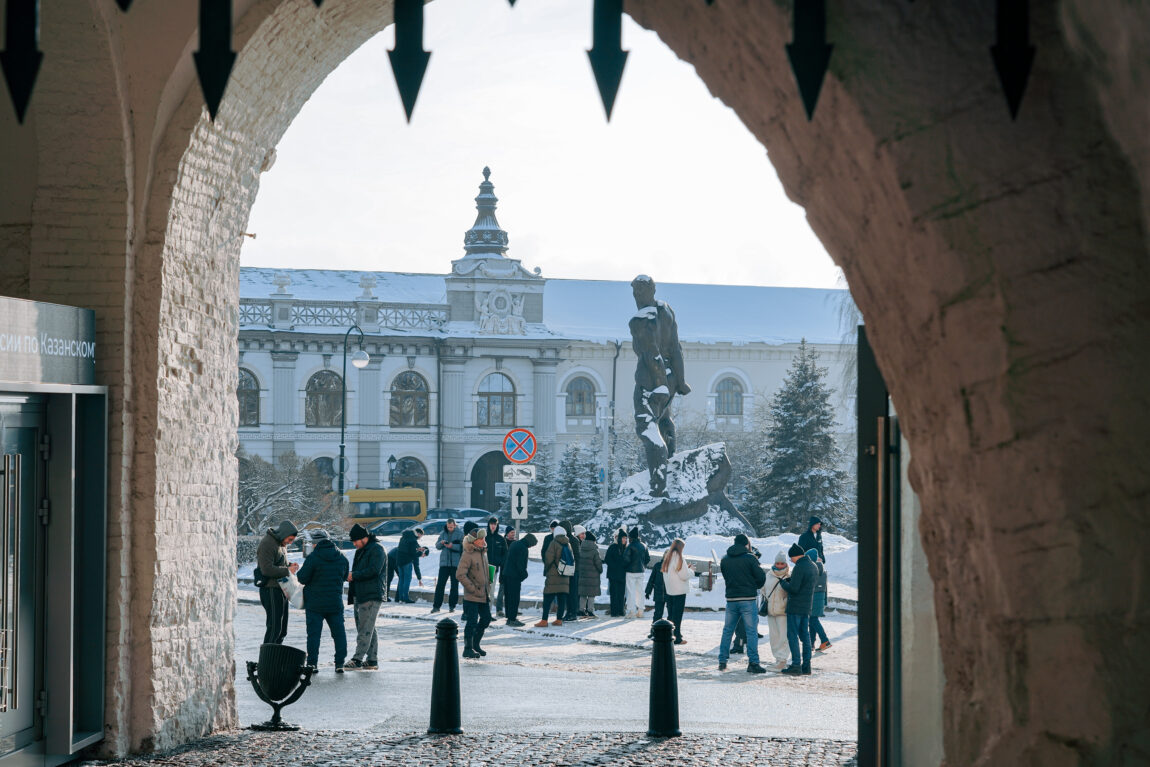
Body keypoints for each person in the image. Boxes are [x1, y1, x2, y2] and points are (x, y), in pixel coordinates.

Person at [628, 274, 691, 496]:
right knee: (664, 420)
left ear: (651, 291)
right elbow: (676, 349)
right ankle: (671, 464)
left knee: (646, 427)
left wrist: (660, 385)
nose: (637, 296)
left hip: (652, 381)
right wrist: (679, 381)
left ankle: (658, 486)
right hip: (671, 378)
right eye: (635, 292)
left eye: (640, 292)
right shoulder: (666, 310)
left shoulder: (641, 320)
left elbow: (652, 355)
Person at [295, 529, 349, 672]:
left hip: (315, 603)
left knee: (314, 635)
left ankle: (312, 664)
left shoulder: (313, 558)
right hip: (335, 602)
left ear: (316, 543)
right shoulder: (342, 558)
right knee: (339, 633)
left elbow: (302, 578)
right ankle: (339, 664)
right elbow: (344, 577)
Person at [717, 533, 767, 673]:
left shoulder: (725, 559)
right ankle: (753, 663)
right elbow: (761, 578)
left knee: (727, 630)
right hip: (748, 599)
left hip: (731, 599)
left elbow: (727, 577)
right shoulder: (750, 558)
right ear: (746, 544)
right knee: (751, 632)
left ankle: (722, 661)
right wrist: (753, 585)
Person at [344, 524, 385, 671]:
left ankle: (358, 659)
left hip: (371, 594)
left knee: (365, 628)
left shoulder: (377, 549)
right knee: (368, 627)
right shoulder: (362, 550)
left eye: (355, 541)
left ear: (364, 538)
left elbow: (374, 570)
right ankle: (372, 660)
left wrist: (354, 575)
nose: (354, 544)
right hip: (361, 593)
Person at [255, 520, 300, 644]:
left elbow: (279, 563)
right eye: (289, 539)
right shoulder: (267, 543)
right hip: (270, 589)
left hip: (281, 589)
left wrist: (290, 565)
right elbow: (266, 569)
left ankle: (275, 659)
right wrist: (287, 570)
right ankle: (267, 661)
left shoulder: (280, 544)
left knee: (281, 630)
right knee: (274, 628)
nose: (290, 542)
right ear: (284, 534)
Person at [779, 542, 817, 676]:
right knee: (805, 637)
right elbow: (804, 584)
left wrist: (784, 583)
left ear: (796, 556)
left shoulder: (800, 567)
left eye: (791, 558)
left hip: (795, 607)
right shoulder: (813, 566)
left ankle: (796, 665)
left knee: (792, 636)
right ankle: (806, 666)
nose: (790, 560)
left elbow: (794, 589)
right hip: (806, 607)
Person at [456, 528, 493, 659]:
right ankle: (467, 649)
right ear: (474, 541)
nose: (484, 541)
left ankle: (475, 644)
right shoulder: (468, 554)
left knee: (486, 619)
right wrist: (471, 588)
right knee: (471, 622)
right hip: (472, 595)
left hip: (483, 594)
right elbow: (460, 574)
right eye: (481, 539)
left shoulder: (483, 552)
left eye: (484, 538)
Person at [535, 528, 573, 627]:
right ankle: (559, 619)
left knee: (547, 598)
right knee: (561, 599)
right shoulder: (568, 544)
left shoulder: (554, 543)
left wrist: (547, 569)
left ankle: (544, 620)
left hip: (553, 575)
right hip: (565, 576)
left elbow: (548, 558)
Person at [660, 537, 693, 644]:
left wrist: (685, 568)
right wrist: (691, 571)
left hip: (670, 591)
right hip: (679, 591)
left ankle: (670, 635)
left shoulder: (667, 557)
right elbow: (684, 575)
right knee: (678, 616)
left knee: (671, 615)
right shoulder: (679, 557)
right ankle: (677, 638)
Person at [764, 550, 791, 670]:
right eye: (778, 563)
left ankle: (782, 660)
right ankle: (777, 659)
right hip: (770, 611)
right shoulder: (769, 575)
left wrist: (784, 602)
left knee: (783, 636)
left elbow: (791, 593)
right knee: (774, 636)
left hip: (783, 612)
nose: (779, 565)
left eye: (782, 563)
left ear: (786, 564)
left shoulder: (789, 576)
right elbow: (763, 589)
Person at [501, 531, 536, 626]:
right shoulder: (523, 548)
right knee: (514, 598)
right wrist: (524, 575)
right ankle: (512, 619)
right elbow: (521, 565)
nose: (530, 547)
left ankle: (509, 617)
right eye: (532, 545)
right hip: (514, 576)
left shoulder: (514, 543)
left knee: (508, 597)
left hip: (506, 574)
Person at [432, 518, 464, 613]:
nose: (449, 528)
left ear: (455, 525)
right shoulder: (442, 533)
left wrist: (452, 546)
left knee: (454, 585)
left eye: (451, 527)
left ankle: (452, 606)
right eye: (448, 526)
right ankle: (436, 606)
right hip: (444, 563)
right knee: (440, 585)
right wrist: (441, 543)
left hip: (455, 564)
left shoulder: (460, 534)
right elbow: (437, 546)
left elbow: (463, 547)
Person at [393, 527, 426, 603]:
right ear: (418, 534)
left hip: (399, 561)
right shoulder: (413, 540)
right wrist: (421, 554)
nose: (420, 538)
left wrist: (418, 549)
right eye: (421, 536)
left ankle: (401, 598)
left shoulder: (404, 537)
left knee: (401, 579)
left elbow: (406, 549)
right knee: (407, 580)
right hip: (407, 561)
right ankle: (406, 598)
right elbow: (413, 553)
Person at [808, 548, 832, 652]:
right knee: (812, 620)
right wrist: (824, 602)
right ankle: (811, 644)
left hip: (813, 598)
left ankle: (825, 640)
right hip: (819, 599)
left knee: (812, 620)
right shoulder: (823, 571)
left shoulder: (812, 569)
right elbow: (826, 589)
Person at [624, 526, 650, 618]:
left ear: (631, 537)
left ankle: (631, 611)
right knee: (640, 591)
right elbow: (647, 559)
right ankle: (641, 610)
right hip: (641, 572)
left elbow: (625, 559)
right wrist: (643, 566)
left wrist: (626, 567)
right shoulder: (644, 546)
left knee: (631, 592)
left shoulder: (630, 546)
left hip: (631, 572)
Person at [576, 529, 603, 617]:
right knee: (591, 594)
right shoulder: (594, 550)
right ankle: (590, 610)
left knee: (583, 593)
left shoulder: (581, 548)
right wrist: (600, 570)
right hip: (593, 575)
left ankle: (581, 610)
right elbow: (598, 563)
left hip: (583, 575)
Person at [604, 529, 629, 617]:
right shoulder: (613, 547)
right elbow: (607, 559)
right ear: (619, 538)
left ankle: (621, 611)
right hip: (613, 575)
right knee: (614, 594)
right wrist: (616, 565)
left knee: (621, 594)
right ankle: (614, 612)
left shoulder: (626, 548)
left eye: (626, 538)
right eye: (623, 538)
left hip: (622, 575)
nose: (624, 540)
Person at [485, 517, 508, 616]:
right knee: (484, 591)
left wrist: (500, 563)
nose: (493, 526)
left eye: (495, 524)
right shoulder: (484, 538)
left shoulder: (500, 539)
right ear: (489, 525)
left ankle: (488, 612)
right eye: (491, 524)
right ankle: (484, 612)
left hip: (494, 568)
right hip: (484, 567)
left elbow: (505, 554)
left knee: (491, 592)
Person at [563, 521, 582, 621]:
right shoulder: (572, 539)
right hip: (573, 568)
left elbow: (574, 555)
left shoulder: (571, 540)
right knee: (570, 592)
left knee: (572, 593)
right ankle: (570, 612)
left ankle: (572, 613)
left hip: (573, 569)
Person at [644, 559, 666, 636]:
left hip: (670, 593)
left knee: (671, 615)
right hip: (659, 592)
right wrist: (648, 591)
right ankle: (654, 631)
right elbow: (652, 579)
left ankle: (670, 632)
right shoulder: (658, 565)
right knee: (657, 613)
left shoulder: (672, 565)